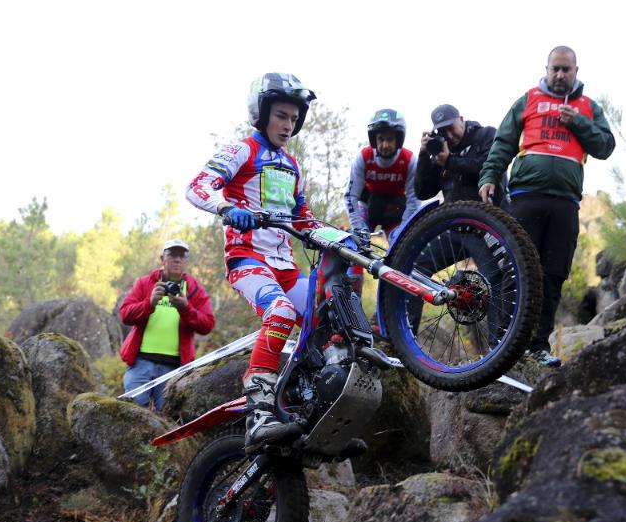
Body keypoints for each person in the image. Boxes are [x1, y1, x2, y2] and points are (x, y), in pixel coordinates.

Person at [186, 72, 325, 453]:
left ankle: (311, 406)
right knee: (280, 313)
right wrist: (226, 208)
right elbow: (197, 186)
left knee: (326, 317)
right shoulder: (242, 151)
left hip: (286, 267)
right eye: (281, 116)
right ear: (261, 114)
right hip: (247, 259)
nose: (288, 125)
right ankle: (258, 414)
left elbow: (304, 219)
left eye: (293, 119)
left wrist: (339, 237)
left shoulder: (292, 166)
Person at [478, 45, 615, 367]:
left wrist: (579, 122)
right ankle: (500, 343)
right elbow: (503, 142)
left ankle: (538, 346)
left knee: (553, 275)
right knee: (514, 267)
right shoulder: (528, 99)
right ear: (547, 69)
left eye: (566, 69)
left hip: (566, 203)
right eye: (555, 68)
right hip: (526, 196)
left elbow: (605, 147)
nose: (560, 74)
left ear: (576, 72)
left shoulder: (588, 107)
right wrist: (489, 175)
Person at [119, 239, 215, 410]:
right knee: (132, 411)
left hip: (175, 368)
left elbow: (207, 324)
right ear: (162, 258)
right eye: (172, 255)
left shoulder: (194, 289)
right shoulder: (145, 283)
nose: (177, 259)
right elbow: (125, 314)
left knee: (167, 416)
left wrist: (186, 308)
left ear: (186, 261)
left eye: (182, 256)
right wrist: (149, 303)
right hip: (140, 363)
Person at [344, 108, 421, 293]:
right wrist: (357, 227)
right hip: (368, 207)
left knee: (400, 250)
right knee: (356, 245)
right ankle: (351, 299)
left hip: (395, 211)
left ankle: (390, 301)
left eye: (390, 139)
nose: (385, 144)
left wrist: (404, 229)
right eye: (381, 139)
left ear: (398, 140)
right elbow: (351, 196)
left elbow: (414, 201)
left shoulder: (409, 160)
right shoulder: (364, 157)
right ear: (374, 139)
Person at [416, 103, 508, 208]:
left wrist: (449, 161)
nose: (449, 135)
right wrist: (423, 156)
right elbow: (423, 193)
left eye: (451, 127)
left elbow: (490, 167)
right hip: (454, 215)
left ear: (461, 119)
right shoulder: (442, 151)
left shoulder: (487, 135)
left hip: (491, 213)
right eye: (443, 131)